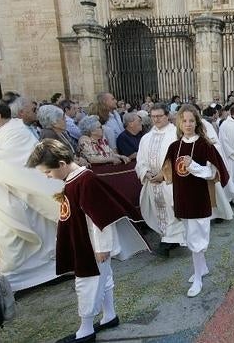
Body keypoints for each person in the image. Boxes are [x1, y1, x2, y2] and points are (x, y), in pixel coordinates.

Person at [27, 139, 149, 343]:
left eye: (48, 172)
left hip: (92, 246)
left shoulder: (85, 180)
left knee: (87, 284)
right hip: (85, 241)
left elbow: (100, 217)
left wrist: (102, 247)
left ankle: (85, 330)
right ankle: (109, 315)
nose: (48, 177)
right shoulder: (73, 179)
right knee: (105, 278)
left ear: (61, 164)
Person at [162, 107, 229, 297]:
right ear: (179, 124)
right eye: (184, 121)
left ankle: (198, 277)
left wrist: (193, 166)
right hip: (182, 196)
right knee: (190, 234)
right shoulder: (174, 147)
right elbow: (169, 172)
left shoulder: (204, 145)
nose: (188, 125)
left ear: (197, 123)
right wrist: (156, 177)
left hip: (199, 197)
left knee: (197, 238)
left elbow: (212, 173)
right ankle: (202, 268)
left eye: (191, 121)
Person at [0, 101, 62, 292]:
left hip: (26, 193)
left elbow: (13, 165)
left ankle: (44, 273)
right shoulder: (4, 133)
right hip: (10, 192)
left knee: (13, 229)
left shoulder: (15, 132)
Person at [136, 104, 185, 256]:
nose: (156, 119)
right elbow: (140, 161)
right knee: (160, 213)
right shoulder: (146, 137)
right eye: (153, 116)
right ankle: (168, 239)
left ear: (167, 115)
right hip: (153, 182)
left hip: (171, 181)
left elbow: (180, 158)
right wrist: (146, 173)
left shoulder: (176, 134)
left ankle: (170, 241)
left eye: (159, 116)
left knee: (173, 211)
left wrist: (163, 175)